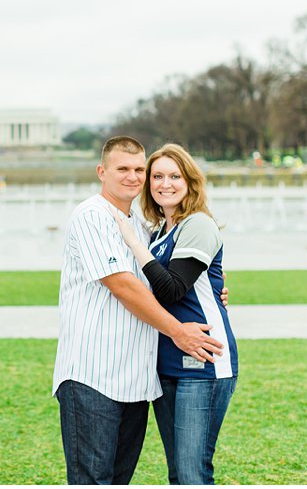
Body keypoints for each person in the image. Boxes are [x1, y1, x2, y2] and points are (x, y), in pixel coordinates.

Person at [52, 136, 226, 485]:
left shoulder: (143, 225)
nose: (133, 177)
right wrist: (178, 329)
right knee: (93, 480)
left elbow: (169, 279)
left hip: (135, 380)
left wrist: (212, 283)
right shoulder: (92, 215)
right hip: (92, 375)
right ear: (102, 172)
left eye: (138, 169)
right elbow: (123, 285)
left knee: (118, 479)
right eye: (122, 169)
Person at [112, 143, 238, 485]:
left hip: (203, 362)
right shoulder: (158, 233)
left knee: (192, 472)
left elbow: (171, 289)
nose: (164, 183)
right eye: (157, 176)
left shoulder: (197, 224)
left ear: (190, 182)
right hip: (165, 363)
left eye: (174, 176)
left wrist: (132, 243)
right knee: (178, 474)